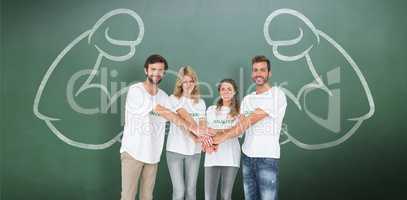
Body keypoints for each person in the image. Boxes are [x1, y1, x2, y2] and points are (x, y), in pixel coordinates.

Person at [119, 55, 212, 200]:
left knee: (147, 196)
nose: (156, 73)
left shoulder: (163, 95)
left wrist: (198, 137)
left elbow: (179, 116)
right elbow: (164, 112)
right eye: (153, 69)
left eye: (160, 70)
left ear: (164, 73)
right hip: (133, 152)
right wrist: (195, 128)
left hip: (153, 155)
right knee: (128, 196)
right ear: (146, 70)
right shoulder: (136, 90)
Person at [212, 55, 287, 200]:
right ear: (252, 73)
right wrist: (211, 136)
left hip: (267, 158)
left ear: (269, 73)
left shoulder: (277, 94)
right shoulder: (248, 99)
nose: (258, 73)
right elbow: (238, 126)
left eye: (262, 70)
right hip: (247, 157)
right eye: (255, 70)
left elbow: (249, 121)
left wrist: (219, 138)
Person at [166, 66, 207, 200]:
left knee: (190, 191)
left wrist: (202, 136)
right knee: (179, 191)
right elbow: (183, 119)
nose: (188, 84)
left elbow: (202, 123)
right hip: (175, 150)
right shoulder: (173, 99)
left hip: (194, 152)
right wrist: (196, 135)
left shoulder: (200, 102)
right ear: (180, 83)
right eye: (185, 81)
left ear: (195, 82)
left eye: (191, 81)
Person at [204, 79, 241, 200]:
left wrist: (218, 132)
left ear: (234, 91)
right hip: (212, 156)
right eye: (223, 89)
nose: (226, 91)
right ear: (219, 91)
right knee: (209, 196)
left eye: (229, 89)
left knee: (226, 196)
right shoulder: (211, 110)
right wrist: (226, 131)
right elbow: (207, 132)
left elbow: (237, 133)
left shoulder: (240, 112)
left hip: (231, 157)